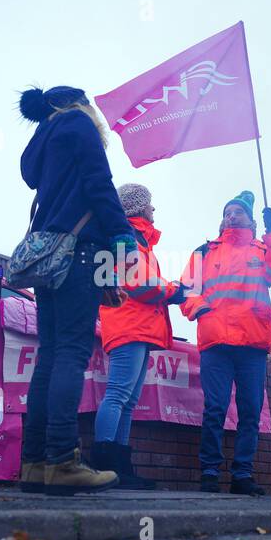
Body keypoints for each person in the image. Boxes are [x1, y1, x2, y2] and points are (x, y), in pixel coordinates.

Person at [17, 86, 138, 496]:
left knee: (49, 356)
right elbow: (98, 183)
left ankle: (35, 462)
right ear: (79, 104)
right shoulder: (79, 125)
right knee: (71, 352)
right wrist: (122, 232)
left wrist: (104, 280)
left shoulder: (44, 140)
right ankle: (63, 461)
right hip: (82, 252)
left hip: (50, 256)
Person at [180, 190, 271, 496]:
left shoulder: (262, 249)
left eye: (238, 212)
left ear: (252, 221)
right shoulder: (204, 252)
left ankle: (242, 474)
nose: (231, 216)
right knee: (215, 408)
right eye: (227, 212)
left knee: (250, 411)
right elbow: (186, 291)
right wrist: (201, 309)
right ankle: (210, 472)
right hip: (216, 340)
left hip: (252, 342)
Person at [92, 183, 186, 490]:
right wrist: (175, 291)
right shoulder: (129, 238)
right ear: (138, 207)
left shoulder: (138, 240)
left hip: (135, 325)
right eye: (150, 204)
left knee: (127, 399)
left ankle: (119, 468)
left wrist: (169, 289)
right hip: (128, 324)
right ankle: (105, 464)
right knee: (119, 395)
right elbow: (140, 282)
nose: (153, 209)